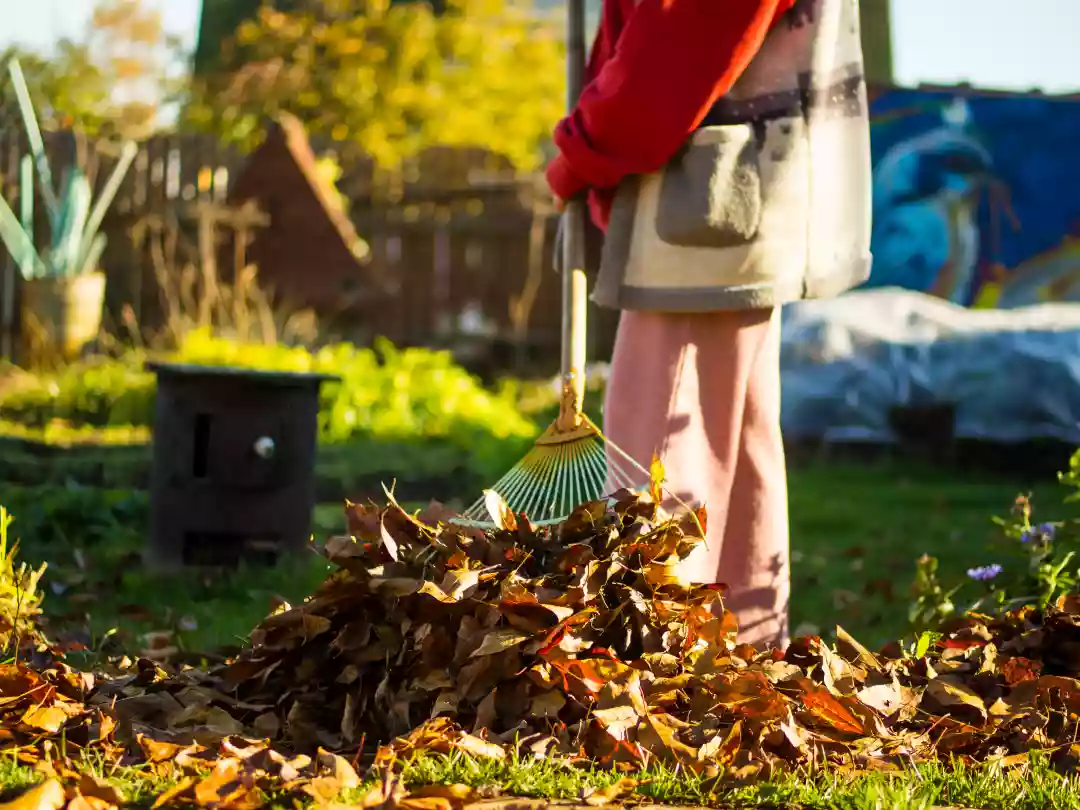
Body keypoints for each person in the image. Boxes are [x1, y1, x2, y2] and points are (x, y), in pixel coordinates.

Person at [545, 0, 873, 650]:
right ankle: (739, 649)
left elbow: (678, 41)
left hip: (705, 191)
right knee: (729, 426)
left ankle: (655, 659)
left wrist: (585, 150)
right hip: (743, 185)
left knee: (666, 438)